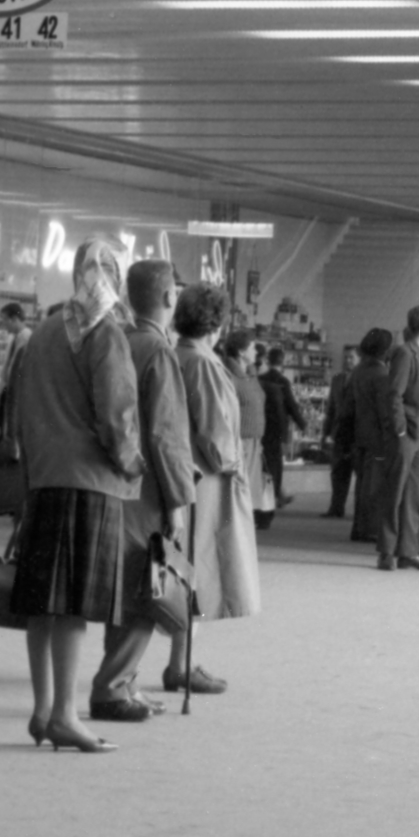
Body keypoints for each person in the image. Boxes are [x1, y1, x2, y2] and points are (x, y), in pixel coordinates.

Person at [7, 236, 144, 753]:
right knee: (72, 607)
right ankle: (66, 713)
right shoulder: (105, 332)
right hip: (89, 483)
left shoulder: (42, 332)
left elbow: (20, 408)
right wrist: (133, 465)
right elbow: (118, 415)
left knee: (44, 603)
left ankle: (43, 709)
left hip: (44, 479)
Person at [95, 259, 199, 713]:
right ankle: (113, 686)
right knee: (147, 586)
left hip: (113, 482)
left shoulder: (117, 340)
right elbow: (166, 433)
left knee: (125, 585)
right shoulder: (159, 352)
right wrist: (178, 500)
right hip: (149, 487)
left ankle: (124, 679)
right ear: (170, 297)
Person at [173, 285, 260, 676]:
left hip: (188, 475)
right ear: (218, 323)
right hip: (206, 480)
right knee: (200, 570)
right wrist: (234, 466)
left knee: (189, 570)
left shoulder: (181, 355)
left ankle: (182, 660)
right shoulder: (203, 363)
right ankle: (183, 663)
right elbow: (214, 430)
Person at [380, 305, 419, 571]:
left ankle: (408, 551)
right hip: (408, 434)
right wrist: (401, 429)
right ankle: (386, 551)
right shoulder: (405, 353)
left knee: (415, 495)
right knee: (395, 492)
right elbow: (394, 394)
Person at [347, 327, 396, 547]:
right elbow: (385, 410)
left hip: (359, 434)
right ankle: (369, 528)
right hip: (377, 436)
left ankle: (359, 526)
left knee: (362, 485)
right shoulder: (382, 375)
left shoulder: (358, 371)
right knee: (375, 487)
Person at [217, 330, 265, 534]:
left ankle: (244, 527)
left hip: (254, 440)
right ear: (241, 351)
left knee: (250, 490)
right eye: (253, 347)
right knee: (239, 488)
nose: (256, 351)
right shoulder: (229, 375)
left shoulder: (250, 374)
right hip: (240, 440)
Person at [258, 347, 304, 526]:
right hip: (276, 431)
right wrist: (302, 423)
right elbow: (291, 405)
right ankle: (274, 500)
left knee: (264, 468)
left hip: (262, 430)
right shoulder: (282, 381)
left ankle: (277, 496)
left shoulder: (261, 379)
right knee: (274, 468)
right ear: (283, 361)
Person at [321, 344, 359, 517]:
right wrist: (325, 433)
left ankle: (361, 512)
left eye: (351, 357)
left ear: (359, 359)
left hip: (357, 433)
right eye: (345, 357)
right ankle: (336, 508)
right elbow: (331, 408)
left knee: (360, 475)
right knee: (337, 473)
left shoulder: (363, 379)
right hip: (339, 433)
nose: (347, 360)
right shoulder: (337, 379)